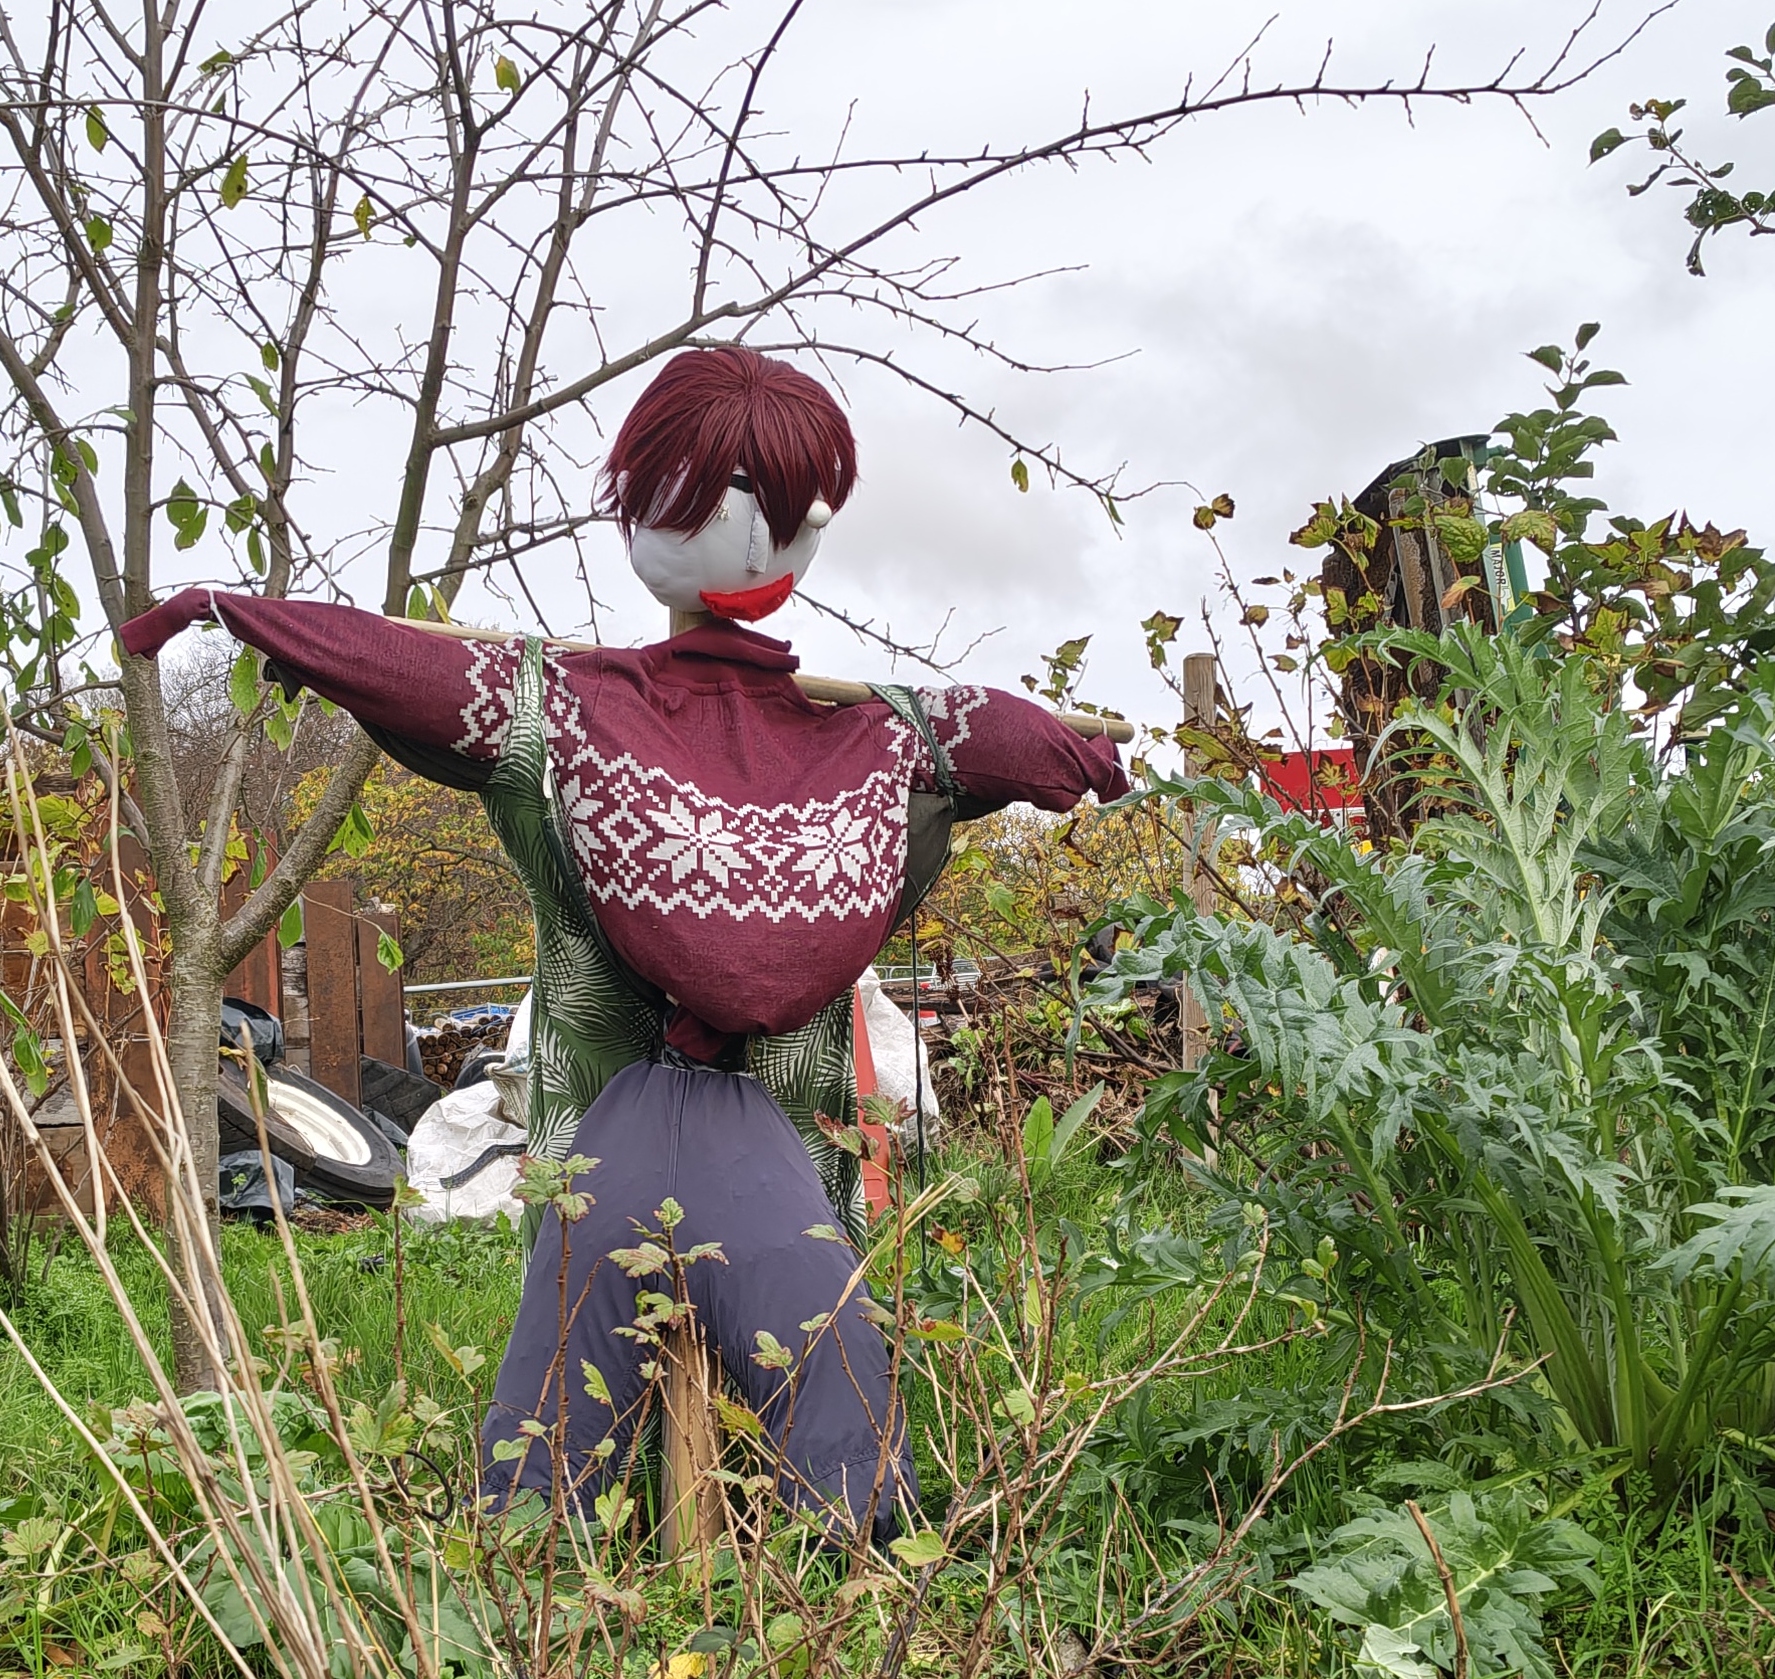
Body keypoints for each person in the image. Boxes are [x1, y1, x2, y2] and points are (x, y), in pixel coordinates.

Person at [116, 343, 1130, 1531]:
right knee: (825, 1394)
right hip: (761, 1145)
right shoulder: (880, 738)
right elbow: (1015, 740)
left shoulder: (571, 711)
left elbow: (401, 667)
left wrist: (245, 617)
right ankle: (832, 1565)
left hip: (616, 1132)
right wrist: (1082, 758)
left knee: (556, 1439)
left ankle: (542, 1563)